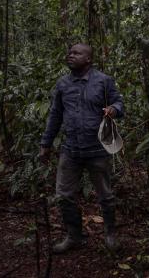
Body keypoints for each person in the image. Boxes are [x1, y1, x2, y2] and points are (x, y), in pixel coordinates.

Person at [39, 43, 124, 254]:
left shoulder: (103, 81)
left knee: (105, 195)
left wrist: (114, 109)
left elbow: (120, 103)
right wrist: (46, 144)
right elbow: (55, 116)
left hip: (97, 150)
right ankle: (74, 236)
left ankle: (110, 234)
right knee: (64, 195)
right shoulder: (62, 84)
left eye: (76, 53)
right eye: (69, 52)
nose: (70, 55)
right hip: (71, 150)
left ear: (88, 59)